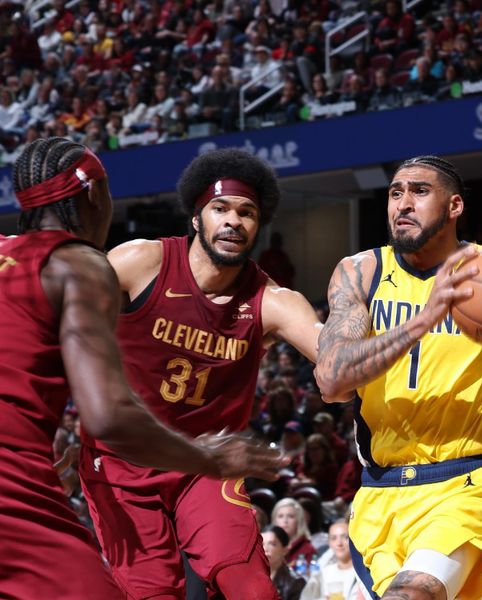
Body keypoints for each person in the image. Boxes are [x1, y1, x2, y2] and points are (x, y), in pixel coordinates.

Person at [0, 138, 287, 599]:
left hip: (69, 463)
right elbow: (109, 417)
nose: (233, 220)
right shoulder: (85, 263)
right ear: (96, 196)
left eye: (246, 212)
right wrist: (209, 457)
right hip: (47, 477)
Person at [315, 155, 482, 600]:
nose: (403, 203)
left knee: (413, 595)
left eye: (419, 191)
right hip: (379, 494)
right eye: (396, 193)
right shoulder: (363, 271)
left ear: (454, 206)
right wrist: (421, 321)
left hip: (461, 484)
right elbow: (331, 383)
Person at [78, 148, 324, 600]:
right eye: (221, 208)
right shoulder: (140, 262)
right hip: (122, 461)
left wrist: (367, 320)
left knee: (254, 591)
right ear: (196, 218)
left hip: (205, 464)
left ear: (258, 226)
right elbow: (63, 328)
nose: (234, 221)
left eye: (247, 212)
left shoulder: (272, 300)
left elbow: (336, 369)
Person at [301, 520, 363, 600]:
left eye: (345, 537)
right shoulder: (324, 572)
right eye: (334, 538)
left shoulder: (362, 573)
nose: (339, 543)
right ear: (329, 543)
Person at [263, 525, 306, 600]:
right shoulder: (248, 576)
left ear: (285, 550)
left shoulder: (296, 582)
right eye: (261, 544)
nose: (265, 549)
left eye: (272, 544)